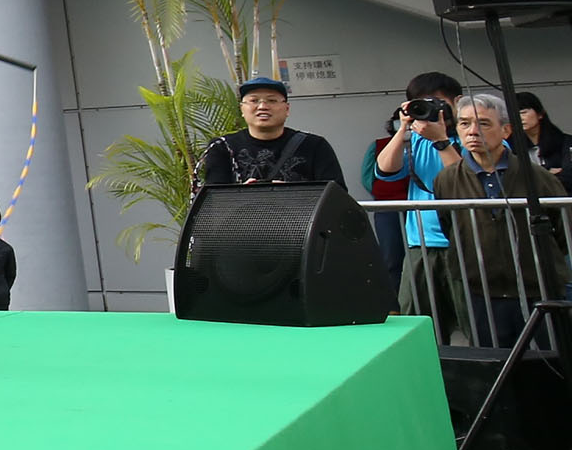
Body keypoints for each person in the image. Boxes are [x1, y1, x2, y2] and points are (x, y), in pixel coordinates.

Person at [380, 92, 569, 348]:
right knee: (489, 356)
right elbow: (451, 224)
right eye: (465, 123)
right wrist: (404, 130)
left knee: (552, 355)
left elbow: (562, 230)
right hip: (481, 286)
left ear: (506, 130)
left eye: (484, 124)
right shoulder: (445, 178)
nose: (473, 131)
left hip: (536, 284)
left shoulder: (536, 176)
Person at [364, 71, 464, 305]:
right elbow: (385, 171)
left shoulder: (473, 137)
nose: (431, 109)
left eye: (437, 102)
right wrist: (403, 129)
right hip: (421, 242)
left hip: (464, 242)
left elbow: (465, 181)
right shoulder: (415, 140)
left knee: (470, 316)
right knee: (417, 314)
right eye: (422, 103)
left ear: (457, 102)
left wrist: (440, 140)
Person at [198, 74, 343, 187]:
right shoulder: (222, 147)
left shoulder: (314, 145)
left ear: (287, 109)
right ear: (242, 109)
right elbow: (213, 200)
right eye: (254, 101)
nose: (262, 107)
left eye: (272, 101)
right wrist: (242, 195)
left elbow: (336, 195)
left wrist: (295, 195)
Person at [517, 90, 571, 173]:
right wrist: (548, 173)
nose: (519, 118)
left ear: (540, 114)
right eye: (514, 114)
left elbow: (568, 174)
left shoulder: (565, 142)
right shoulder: (512, 147)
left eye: (523, 113)